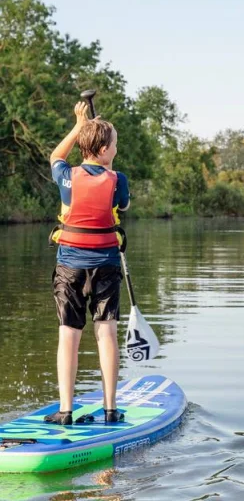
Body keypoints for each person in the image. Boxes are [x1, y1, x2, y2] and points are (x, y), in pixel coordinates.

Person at [47, 101, 130, 425]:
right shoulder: (117, 179)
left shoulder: (66, 177)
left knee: (69, 333)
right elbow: (124, 204)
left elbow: (56, 156)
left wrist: (78, 126)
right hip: (106, 266)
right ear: (106, 149)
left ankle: (65, 411)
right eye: (116, 145)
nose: (117, 149)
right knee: (106, 332)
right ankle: (111, 409)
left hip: (69, 266)